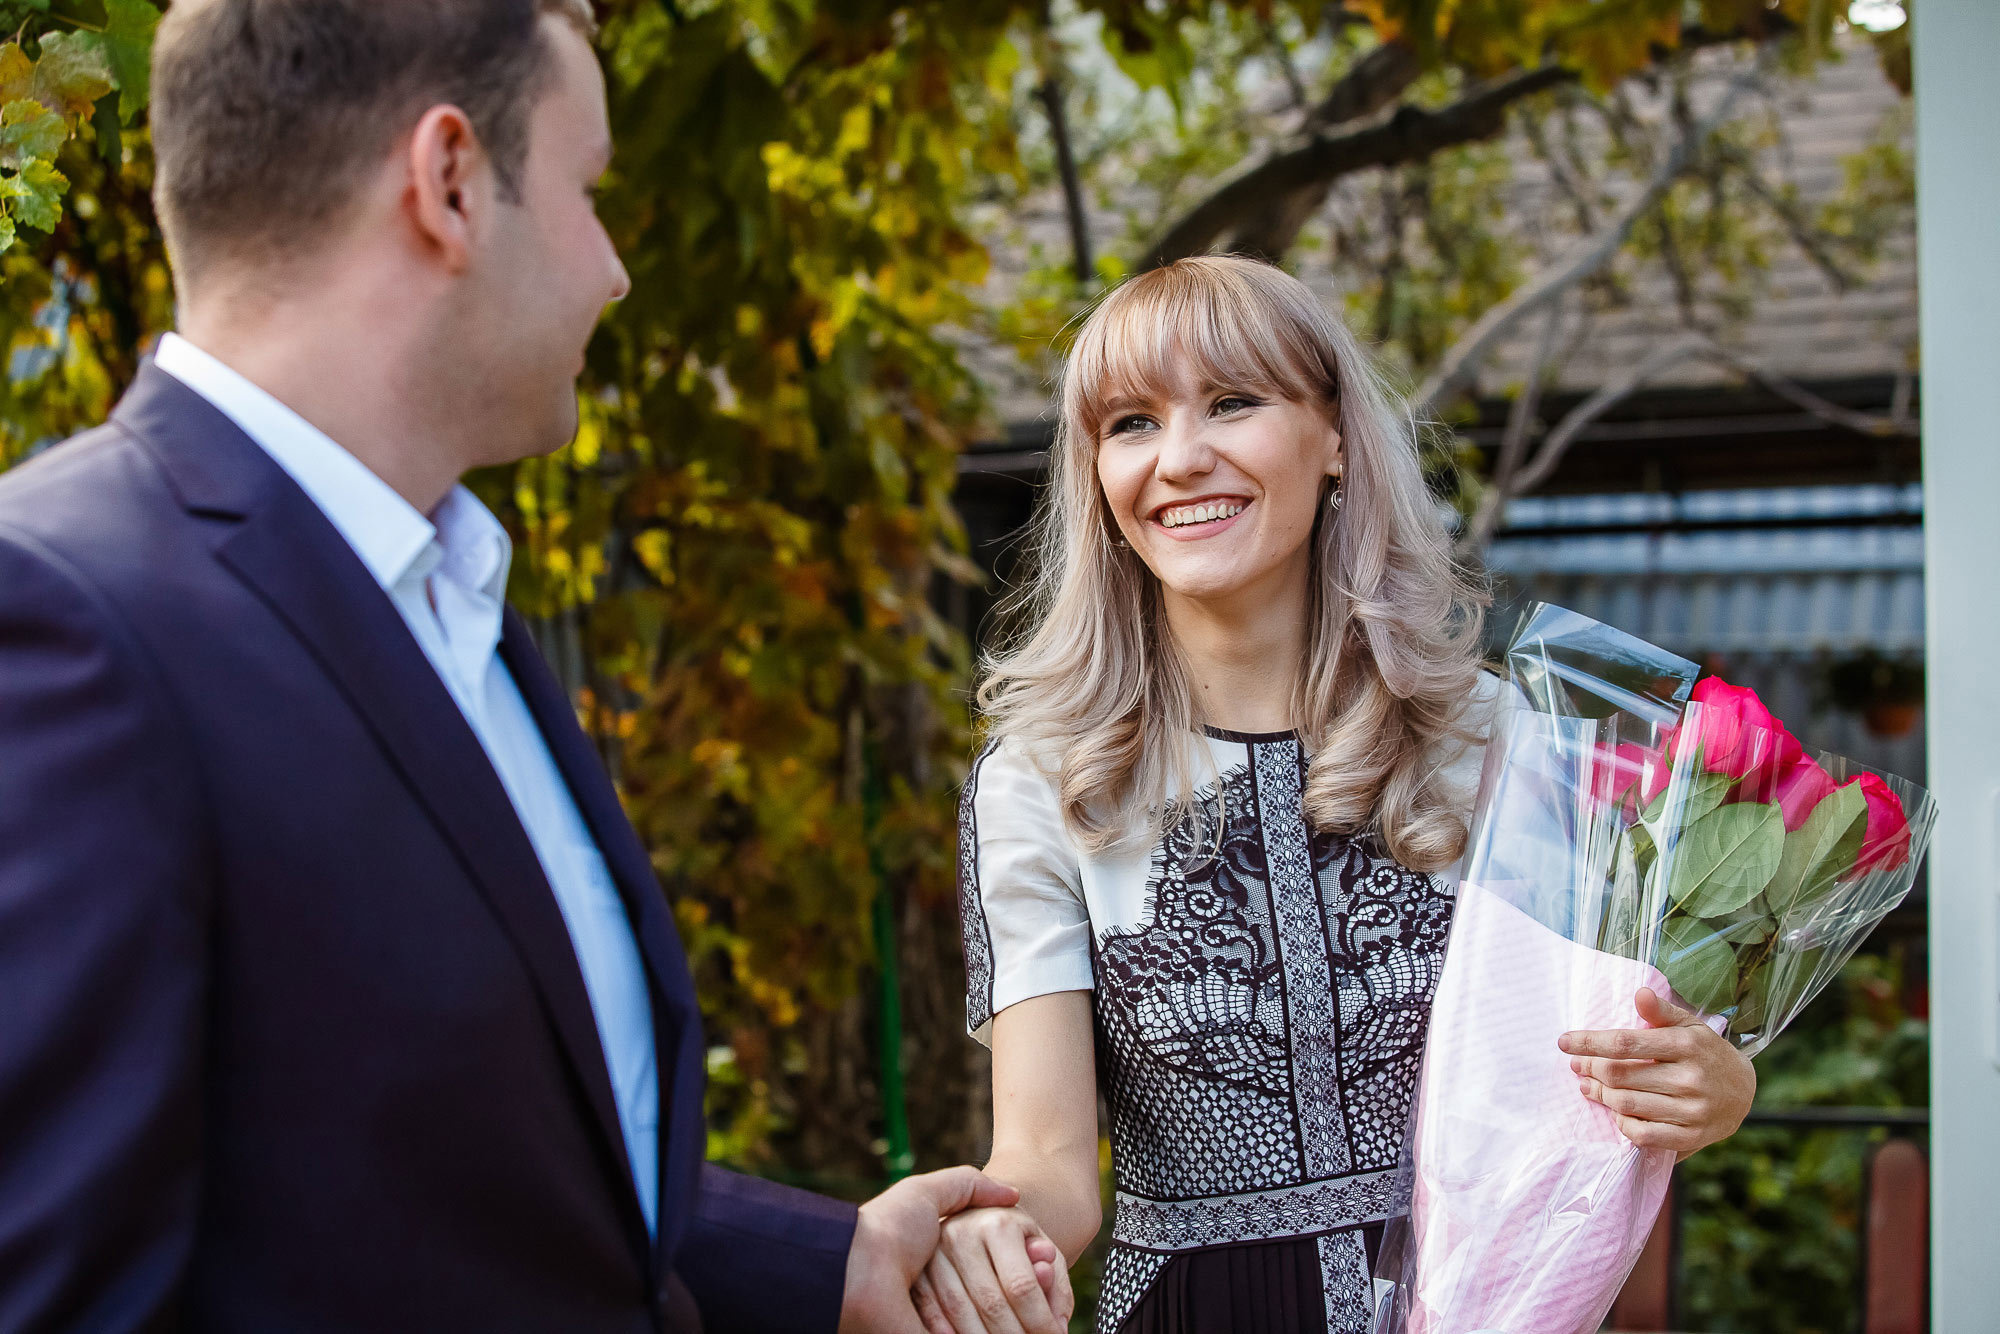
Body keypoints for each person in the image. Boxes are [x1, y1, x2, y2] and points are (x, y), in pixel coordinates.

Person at [0, 3, 1072, 1332]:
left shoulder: (448, 595)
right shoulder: (62, 614)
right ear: (448, 181)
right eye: (588, 190)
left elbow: (425, 1169)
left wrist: (821, 1259)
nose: (613, 270)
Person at [920, 256, 1757, 1334]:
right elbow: (1045, 1159)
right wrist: (994, 1233)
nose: (1178, 458)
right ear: (1093, 473)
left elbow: (1579, 1083)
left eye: (1231, 402)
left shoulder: (1493, 735)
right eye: (1129, 422)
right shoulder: (1039, 775)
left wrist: (1706, 1087)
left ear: (1333, 441)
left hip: (1483, 1301)